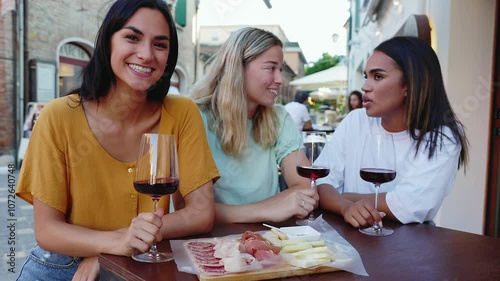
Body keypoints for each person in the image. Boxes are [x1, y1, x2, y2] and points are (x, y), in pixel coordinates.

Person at [15, 1, 219, 280]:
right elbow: (47, 230)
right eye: (132, 37)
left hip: (144, 261)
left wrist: (116, 248)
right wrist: (114, 245)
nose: (146, 54)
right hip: (62, 268)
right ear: (107, 42)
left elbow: (201, 213)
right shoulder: (58, 117)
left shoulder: (182, 113)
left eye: (160, 44)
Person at [316, 36, 469, 228]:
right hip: (349, 240)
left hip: (409, 247)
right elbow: (321, 181)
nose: (365, 86)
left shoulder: (442, 139)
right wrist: (345, 207)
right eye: (366, 76)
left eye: (378, 76)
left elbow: (407, 206)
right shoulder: (355, 121)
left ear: (409, 84)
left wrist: (344, 196)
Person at [189, 27, 319, 224]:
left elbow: (306, 188)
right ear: (238, 68)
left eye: (280, 69)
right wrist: (269, 209)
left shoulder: (278, 117)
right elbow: (188, 210)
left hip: (267, 240)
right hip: (206, 242)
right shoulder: (195, 116)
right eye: (270, 68)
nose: (280, 80)